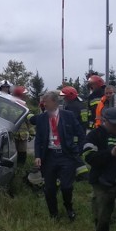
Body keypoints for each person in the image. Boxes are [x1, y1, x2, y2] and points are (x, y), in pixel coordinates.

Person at [34, 90, 86, 220]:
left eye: (46, 102)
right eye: (43, 102)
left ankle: (69, 208)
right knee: (49, 188)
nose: (44, 104)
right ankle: (53, 214)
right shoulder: (41, 118)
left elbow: (81, 134)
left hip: (66, 156)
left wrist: (78, 150)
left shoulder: (68, 115)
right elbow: (39, 139)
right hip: (49, 156)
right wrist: (38, 156)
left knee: (66, 186)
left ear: (55, 102)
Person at [12, 86, 35, 166]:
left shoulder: (24, 106)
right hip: (13, 134)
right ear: (20, 95)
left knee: (22, 153)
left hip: (22, 135)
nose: (26, 96)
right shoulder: (12, 105)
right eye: (24, 94)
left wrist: (32, 133)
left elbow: (28, 121)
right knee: (13, 153)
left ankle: (20, 169)